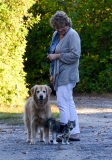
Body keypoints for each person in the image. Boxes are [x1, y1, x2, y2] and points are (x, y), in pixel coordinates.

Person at [47, 11, 81, 141]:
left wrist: (57, 56)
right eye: (57, 27)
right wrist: (52, 73)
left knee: (62, 103)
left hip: (68, 74)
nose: (60, 30)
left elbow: (75, 55)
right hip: (58, 73)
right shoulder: (56, 35)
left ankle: (63, 133)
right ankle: (74, 132)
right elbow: (52, 53)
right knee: (69, 102)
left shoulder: (73, 35)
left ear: (67, 23)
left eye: (62, 27)